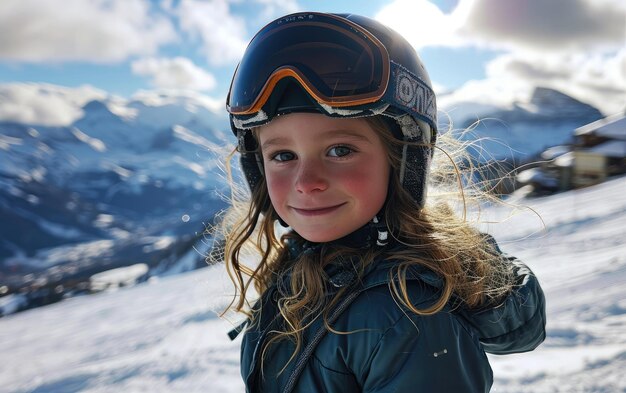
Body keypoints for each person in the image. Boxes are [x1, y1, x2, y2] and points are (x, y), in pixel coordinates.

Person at [218, 11, 546, 393]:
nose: (306, 183)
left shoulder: (405, 315)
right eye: (282, 156)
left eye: (340, 150)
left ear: (402, 162)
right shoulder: (304, 267)